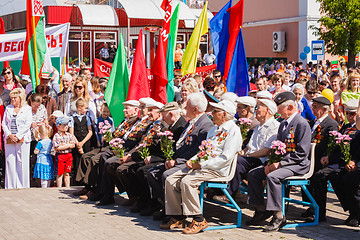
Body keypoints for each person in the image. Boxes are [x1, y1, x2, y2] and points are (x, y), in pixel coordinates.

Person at [161, 100, 241, 234]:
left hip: (217, 170)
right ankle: (178, 217)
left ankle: (198, 219)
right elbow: (203, 151)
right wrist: (192, 161)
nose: (212, 114)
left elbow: (225, 158)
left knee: (187, 181)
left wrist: (200, 164)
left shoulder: (233, 131)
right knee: (171, 179)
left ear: (224, 114)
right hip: (203, 166)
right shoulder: (214, 130)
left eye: (216, 112)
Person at [246, 91, 311, 232]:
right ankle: (260, 209)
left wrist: (280, 164)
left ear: (290, 108)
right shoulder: (283, 124)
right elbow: (278, 148)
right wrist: (272, 162)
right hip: (284, 163)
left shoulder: (301, 124)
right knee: (254, 174)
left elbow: (302, 153)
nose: (277, 111)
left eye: (280, 107)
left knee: (273, 177)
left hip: (297, 165)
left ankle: (278, 215)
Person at [147, 93, 214, 221]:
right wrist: (169, 158)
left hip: (189, 162)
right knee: (152, 172)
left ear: (195, 109)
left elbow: (196, 150)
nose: (184, 109)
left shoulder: (205, 125)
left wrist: (177, 161)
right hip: (178, 159)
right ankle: (165, 207)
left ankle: (176, 213)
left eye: (187, 106)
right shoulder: (191, 122)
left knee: (167, 175)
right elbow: (180, 143)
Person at [213, 98, 280, 204]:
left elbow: (266, 151)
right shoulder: (259, 126)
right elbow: (248, 147)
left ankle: (230, 195)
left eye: (259, 107)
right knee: (230, 157)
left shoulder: (274, 126)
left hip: (261, 161)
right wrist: (241, 152)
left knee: (238, 161)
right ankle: (215, 189)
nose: (256, 110)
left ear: (267, 110)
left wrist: (247, 155)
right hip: (251, 158)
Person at [74, 100, 139, 200]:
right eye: (124, 108)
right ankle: (87, 187)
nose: (124, 110)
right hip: (109, 145)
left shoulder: (135, 122)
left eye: (127, 108)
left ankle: (96, 190)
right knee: (86, 156)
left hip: (118, 148)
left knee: (95, 159)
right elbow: (117, 133)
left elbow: (127, 140)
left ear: (135, 110)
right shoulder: (125, 121)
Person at [301, 96, 339, 222]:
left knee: (318, 181)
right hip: (309, 158)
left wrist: (326, 156)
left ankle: (319, 211)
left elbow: (331, 144)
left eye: (315, 106)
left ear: (323, 109)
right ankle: (310, 207)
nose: (312, 108)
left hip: (320, 159)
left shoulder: (331, 124)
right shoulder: (312, 122)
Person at [2, 88, 32, 189]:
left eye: (15, 98)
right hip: (10, 138)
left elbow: (28, 124)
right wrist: (9, 134)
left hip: (23, 139)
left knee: (22, 162)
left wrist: (18, 136)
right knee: (10, 161)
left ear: (20, 98)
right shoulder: (9, 108)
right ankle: (10, 186)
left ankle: (23, 185)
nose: (13, 100)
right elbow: (4, 123)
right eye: (11, 98)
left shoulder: (27, 109)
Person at [69, 98, 93, 178]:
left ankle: (86, 179)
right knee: (77, 162)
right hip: (77, 143)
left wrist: (82, 143)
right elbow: (71, 133)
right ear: (79, 107)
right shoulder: (72, 118)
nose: (86, 110)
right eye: (85, 108)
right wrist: (78, 144)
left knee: (86, 161)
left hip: (86, 143)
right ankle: (77, 180)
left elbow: (90, 132)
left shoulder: (87, 118)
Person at [53, 116, 76, 187]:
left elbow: (73, 145)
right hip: (60, 156)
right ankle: (59, 187)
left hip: (68, 155)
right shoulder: (56, 136)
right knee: (60, 173)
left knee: (67, 172)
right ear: (58, 126)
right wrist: (68, 145)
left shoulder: (69, 135)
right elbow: (58, 147)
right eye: (64, 125)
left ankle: (67, 187)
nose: (66, 126)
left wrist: (65, 145)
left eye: (67, 124)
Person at [33, 123, 54, 188]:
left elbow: (36, 151)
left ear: (39, 133)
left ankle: (44, 188)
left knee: (43, 176)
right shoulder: (50, 141)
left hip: (41, 160)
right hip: (49, 160)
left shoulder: (40, 142)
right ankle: (48, 186)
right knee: (48, 175)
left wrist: (35, 151)